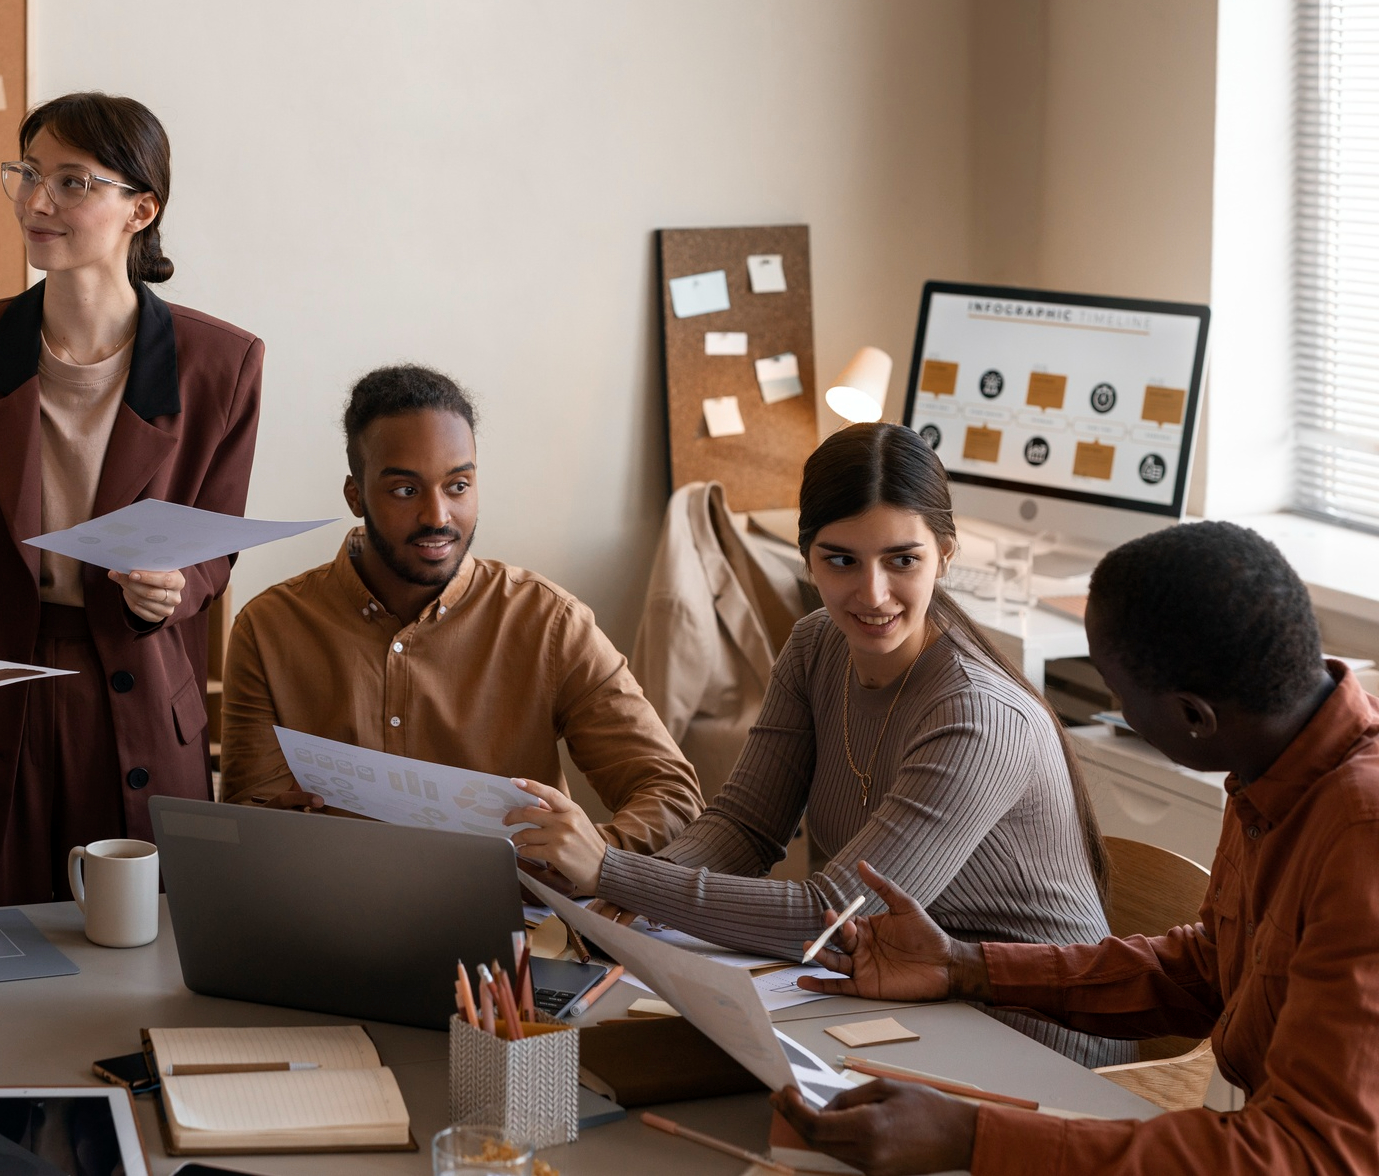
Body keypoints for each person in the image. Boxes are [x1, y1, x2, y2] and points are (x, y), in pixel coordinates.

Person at [773, 521, 1379, 1175]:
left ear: (1194, 717)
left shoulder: (1359, 834)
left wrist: (974, 1138)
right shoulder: (1275, 761)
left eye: (1119, 696)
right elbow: (1208, 971)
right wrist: (964, 965)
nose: (1117, 707)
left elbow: (1311, 1153)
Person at [512, 422, 1120, 1064]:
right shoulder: (815, 647)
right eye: (841, 560)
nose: (872, 593)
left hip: (1033, 1035)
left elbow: (828, 917)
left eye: (902, 560)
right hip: (896, 994)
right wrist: (624, 901)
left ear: (944, 553)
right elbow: (744, 827)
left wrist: (612, 872)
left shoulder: (978, 714)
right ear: (807, 557)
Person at [0, 92, 262, 911]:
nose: (37, 202)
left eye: (72, 182)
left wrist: (175, 585)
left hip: (136, 688)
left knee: (137, 966)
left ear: (142, 207)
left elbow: (213, 548)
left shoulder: (222, 361)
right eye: (28, 174)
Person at [218, 364, 703, 853]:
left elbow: (673, 797)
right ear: (355, 496)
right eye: (405, 490)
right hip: (335, 915)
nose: (437, 516)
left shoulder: (549, 623)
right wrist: (266, 836)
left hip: (517, 919)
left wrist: (593, 858)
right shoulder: (269, 629)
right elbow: (248, 818)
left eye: (458, 485)